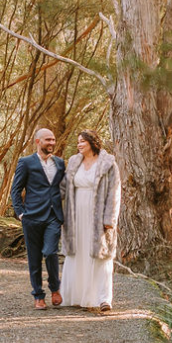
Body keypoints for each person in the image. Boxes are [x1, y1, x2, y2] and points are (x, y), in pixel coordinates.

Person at [59, 129, 121, 311]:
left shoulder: (108, 164)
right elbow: (63, 188)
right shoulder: (73, 162)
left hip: (98, 216)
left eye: (82, 142)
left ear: (92, 143)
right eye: (78, 142)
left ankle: (103, 299)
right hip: (76, 214)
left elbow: (114, 192)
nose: (79, 145)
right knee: (77, 253)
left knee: (100, 255)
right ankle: (76, 296)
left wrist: (109, 218)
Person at [10, 128, 66, 310]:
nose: (51, 143)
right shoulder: (26, 162)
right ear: (38, 141)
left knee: (50, 252)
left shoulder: (60, 163)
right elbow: (16, 190)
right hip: (32, 217)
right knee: (34, 258)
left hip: (53, 217)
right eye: (48, 140)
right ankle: (38, 296)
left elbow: (63, 188)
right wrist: (20, 213)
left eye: (53, 140)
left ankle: (55, 288)